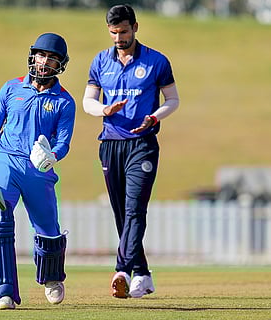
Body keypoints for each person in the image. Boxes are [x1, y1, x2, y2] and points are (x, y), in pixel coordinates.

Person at [0, 33, 75, 310]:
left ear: (60, 64)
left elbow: (63, 141)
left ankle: (51, 277)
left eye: (52, 58)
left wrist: (52, 156)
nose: (44, 61)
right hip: (5, 163)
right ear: (32, 56)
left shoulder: (64, 101)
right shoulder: (11, 88)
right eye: (40, 55)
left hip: (39, 170)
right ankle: (4, 292)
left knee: (48, 229)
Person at [82, 4, 180, 299]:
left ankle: (122, 270)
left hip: (143, 144)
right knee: (121, 214)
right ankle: (144, 275)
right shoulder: (100, 61)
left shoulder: (156, 61)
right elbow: (88, 101)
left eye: (123, 31)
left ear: (135, 27)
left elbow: (172, 99)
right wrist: (104, 108)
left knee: (135, 209)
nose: (118, 38)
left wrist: (155, 117)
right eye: (113, 32)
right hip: (110, 143)